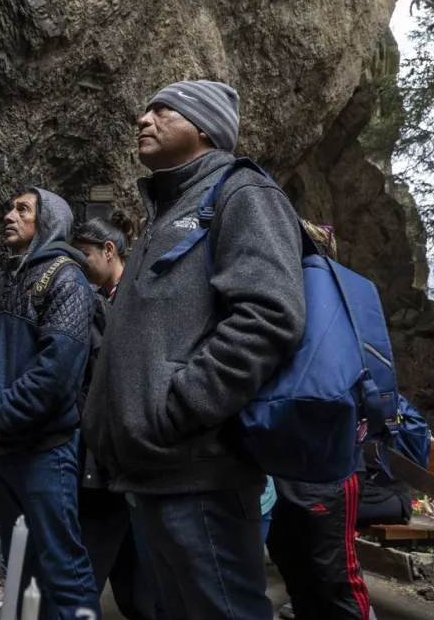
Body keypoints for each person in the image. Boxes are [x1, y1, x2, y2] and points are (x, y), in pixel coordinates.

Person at [82, 80, 305, 620]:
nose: (144, 118)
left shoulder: (241, 193)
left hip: (200, 472)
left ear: (204, 127)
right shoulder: (167, 212)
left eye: (163, 110)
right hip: (151, 471)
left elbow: (269, 314)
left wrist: (178, 408)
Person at [0, 188, 101, 620]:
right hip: (0, 451)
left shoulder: (67, 280)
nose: (8, 215)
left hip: (45, 450)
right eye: (10, 208)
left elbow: (55, 374)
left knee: (62, 566)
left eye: (23, 209)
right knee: (19, 566)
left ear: (49, 221)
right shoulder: (2, 283)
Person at [269, 221, 374, 620]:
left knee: (334, 575)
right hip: (286, 461)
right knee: (297, 569)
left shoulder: (343, 304)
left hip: (329, 464)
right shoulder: (280, 299)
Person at [73, 216, 160, 620]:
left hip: (125, 449)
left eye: (86, 255)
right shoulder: (106, 295)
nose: (81, 264)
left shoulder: (136, 297)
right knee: (135, 582)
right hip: (119, 454)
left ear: (110, 251)